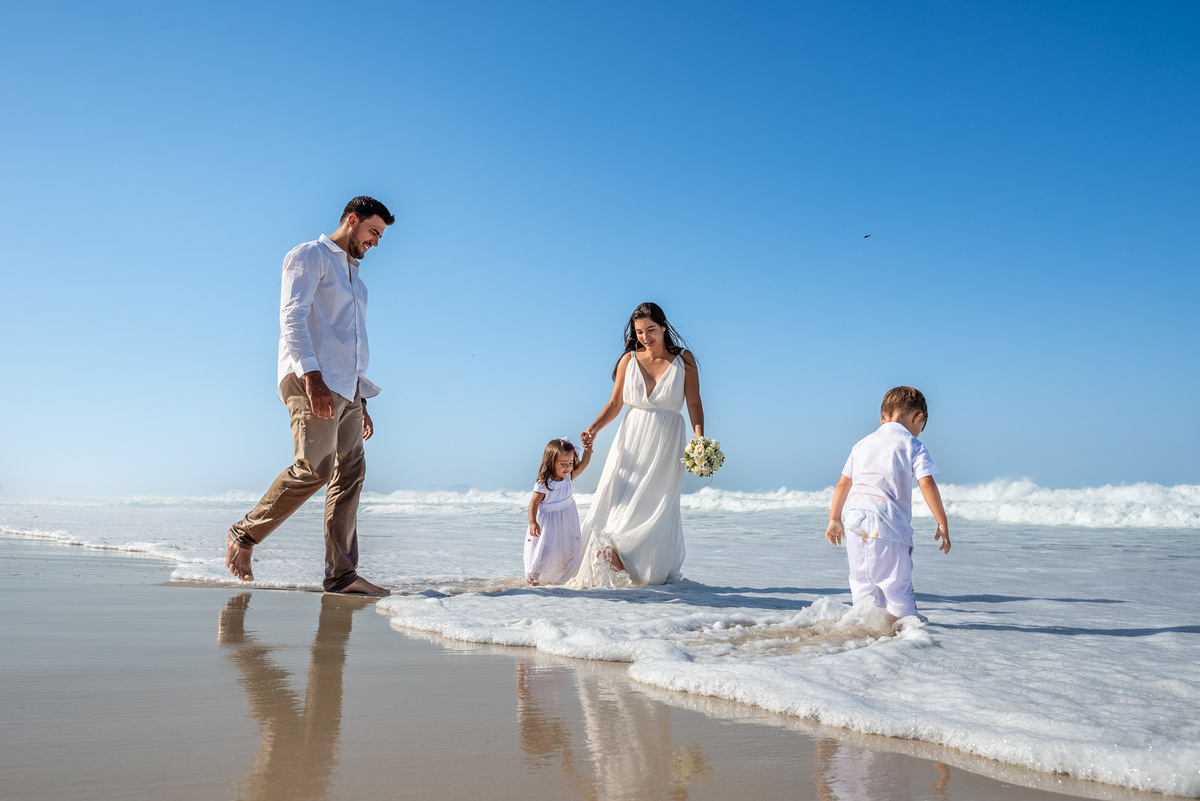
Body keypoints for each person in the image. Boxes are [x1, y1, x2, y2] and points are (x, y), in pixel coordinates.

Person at [225, 196, 395, 596]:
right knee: (314, 468)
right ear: (352, 220)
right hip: (312, 378)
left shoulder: (357, 282)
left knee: (350, 474)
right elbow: (292, 317)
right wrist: (312, 377)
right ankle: (245, 534)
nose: (375, 242)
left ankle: (342, 576)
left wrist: (360, 399)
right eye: (373, 232)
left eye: (380, 236)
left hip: (347, 388)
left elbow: (350, 344)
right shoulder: (310, 255)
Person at [569, 302, 704, 588]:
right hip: (631, 441)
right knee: (622, 500)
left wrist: (699, 438)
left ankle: (645, 571)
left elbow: (693, 402)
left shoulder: (684, 360)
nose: (645, 337)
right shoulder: (628, 360)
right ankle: (611, 553)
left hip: (667, 442)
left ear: (664, 326)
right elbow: (614, 403)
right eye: (639, 332)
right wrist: (593, 429)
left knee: (656, 506)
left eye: (650, 330)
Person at [825, 386, 951, 621]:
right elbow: (926, 483)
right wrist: (942, 522)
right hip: (888, 526)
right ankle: (905, 636)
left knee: (863, 590)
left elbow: (843, 484)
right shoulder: (912, 445)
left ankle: (863, 633)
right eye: (920, 429)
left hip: (854, 523)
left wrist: (834, 519)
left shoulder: (861, 445)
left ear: (883, 419)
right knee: (897, 589)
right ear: (917, 417)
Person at [524, 438, 592, 586]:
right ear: (551, 462)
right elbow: (534, 503)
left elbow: (584, 463)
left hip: (566, 520)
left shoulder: (568, 477)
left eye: (570, 463)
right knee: (543, 551)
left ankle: (556, 578)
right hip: (548, 524)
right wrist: (533, 522)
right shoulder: (544, 484)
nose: (567, 467)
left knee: (563, 549)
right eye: (563, 464)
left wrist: (588, 448)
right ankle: (533, 579)